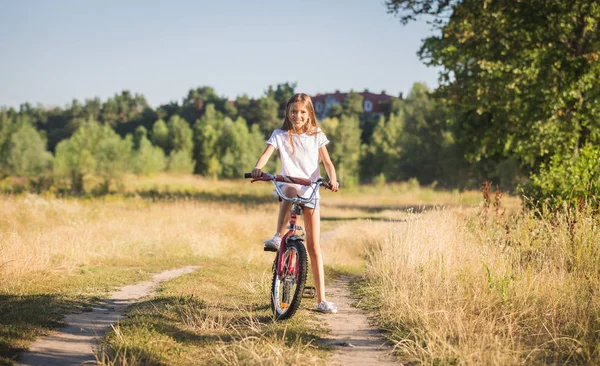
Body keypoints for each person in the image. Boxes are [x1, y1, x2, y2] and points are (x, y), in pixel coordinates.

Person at [251, 93, 340, 314]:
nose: (297, 116)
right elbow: (266, 155)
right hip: (288, 182)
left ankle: (321, 300)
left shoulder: (317, 135)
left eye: (302, 112)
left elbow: (327, 162)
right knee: (289, 191)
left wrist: (333, 178)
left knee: (314, 247)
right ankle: (278, 236)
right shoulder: (280, 135)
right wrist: (258, 168)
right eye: (293, 111)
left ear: (309, 114)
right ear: (288, 113)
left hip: (311, 189)